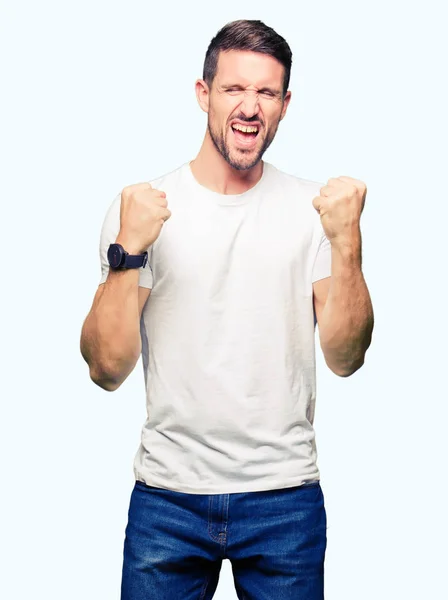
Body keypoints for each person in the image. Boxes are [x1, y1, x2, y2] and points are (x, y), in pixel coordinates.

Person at [80, 18, 374, 600]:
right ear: (203, 94)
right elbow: (105, 369)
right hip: (168, 499)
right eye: (234, 88)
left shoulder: (312, 210)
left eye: (266, 92)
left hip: (283, 499)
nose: (249, 106)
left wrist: (348, 245)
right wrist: (128, 254)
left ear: (285, 105)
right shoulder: (144, 210)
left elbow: (346, 356)